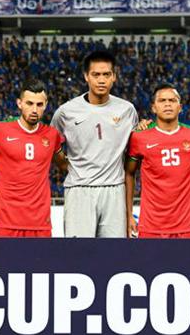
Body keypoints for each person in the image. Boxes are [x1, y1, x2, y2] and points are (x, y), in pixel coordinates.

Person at [52, 50, 139, 238]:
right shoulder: (66, 111)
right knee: (79, 255)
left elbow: (135, 145)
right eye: (96, 75)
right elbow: (51, 145)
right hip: (79, 190)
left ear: (114, 77)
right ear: (86, 77)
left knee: (114, 256)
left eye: (106, 74)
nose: (101, 80)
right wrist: (67, 166)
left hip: (115, 190)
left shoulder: (127, 110)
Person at [0, 80, 66, 237]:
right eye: (29, 103)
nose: (34, 109)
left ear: (46, 105)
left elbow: (65, 165)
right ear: (19, 103)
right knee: (1, 263)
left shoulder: (52, 135)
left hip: (40, 223)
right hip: (5, 221)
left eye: (39, 104)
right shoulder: (0, 130)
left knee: (39, 262)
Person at [125, 84, 190, 239]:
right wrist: (128, 213)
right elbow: (129, 173)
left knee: (186, 264)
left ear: (180, 107)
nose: (167, 104)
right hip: (150, 225)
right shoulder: (139, 137)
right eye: (162, 100)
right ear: (153, 107)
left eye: (172, 100)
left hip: (186, 225)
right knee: (149, 264)